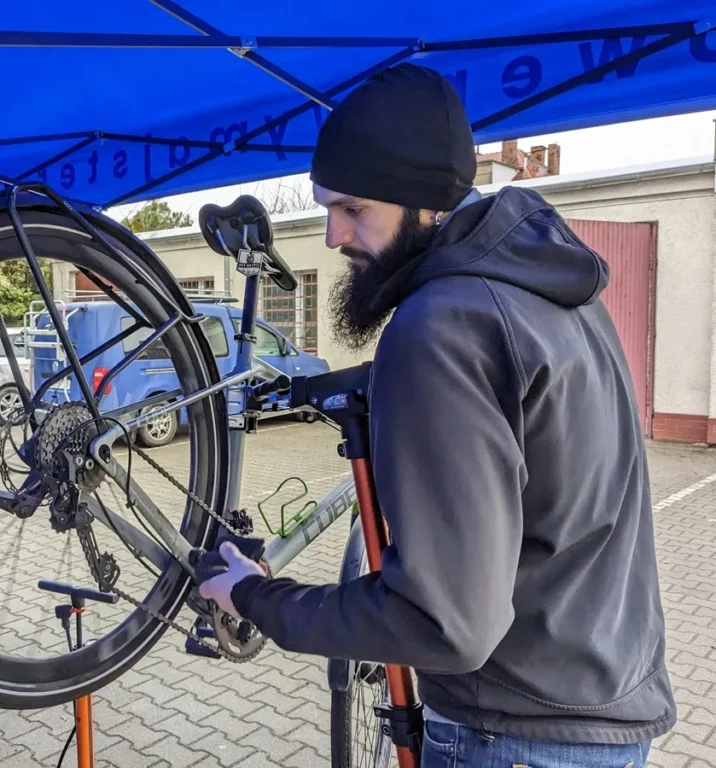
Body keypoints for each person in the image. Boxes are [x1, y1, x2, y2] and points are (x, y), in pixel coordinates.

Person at [199, 62, 676, 767]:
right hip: (602, 711)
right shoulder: (559, 293)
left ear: (426, 206)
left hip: (511, 735)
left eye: (353, 209)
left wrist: (256, 596)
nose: (333, 236)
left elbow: (445, 624)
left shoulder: (441, 327)